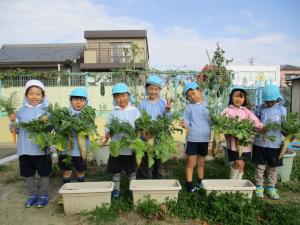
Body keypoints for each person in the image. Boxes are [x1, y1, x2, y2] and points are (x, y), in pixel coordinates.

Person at [8, 80, 51, 207]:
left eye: (38, 94)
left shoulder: (46, 111)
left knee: (44, 173)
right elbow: (15, 130)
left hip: (41, 149)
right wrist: (13, 121)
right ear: (26, 95)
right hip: (24, 149)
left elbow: (50, 128)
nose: (34, 96)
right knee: (28, 174)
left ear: (43, 96)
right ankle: (32, 195)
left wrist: (46, 123)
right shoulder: (21, 111)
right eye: (31, 93)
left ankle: (43, 195)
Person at [102, 83, 141, 199]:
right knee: (116, 170)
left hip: (130, 147)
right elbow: (108, 127)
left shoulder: (134, 110)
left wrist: (137, 136)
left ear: (128, 96)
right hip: (116, 148)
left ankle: (132, 189)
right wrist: (107, 135)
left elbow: (139, 126)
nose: (121, 99)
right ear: (114, 98)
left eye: (123, 95)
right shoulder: (113, 112)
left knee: (131, 170)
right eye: (118, 96)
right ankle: (116, 190)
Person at [252, 84, 286, 199]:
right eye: (267, 101)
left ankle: (271, 187)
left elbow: (285, 127)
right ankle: (259, 186)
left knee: (273, 167)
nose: (269, 104)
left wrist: (288, 136)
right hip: (259, 143)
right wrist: (257, 128)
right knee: (260, 167)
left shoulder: (282, 110)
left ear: (277, 98)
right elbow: (253, 123)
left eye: (271, 101)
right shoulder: (259, 108)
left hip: (275, 144)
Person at [222, 86, 263, 180]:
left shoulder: (246, 111)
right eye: (236, 96)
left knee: (242, 164)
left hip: (245, 144)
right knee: (237, 163)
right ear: (231, 97)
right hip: (233, 144)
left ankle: (238, 184)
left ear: (244, 99)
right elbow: (222, 123)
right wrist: (229, 128)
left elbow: (255, 121)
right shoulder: (227, 110)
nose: (238, 99)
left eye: (241, 97)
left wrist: (261, 127)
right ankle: (232, 183)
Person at [137, 75, 172, 179]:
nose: (153, 91)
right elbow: (139, 120)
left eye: (156, 89)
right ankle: (145, 181)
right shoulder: (142, 104)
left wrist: (168, 111)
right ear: (146, 89)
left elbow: (167, 120)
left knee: (158, 160)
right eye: (151, 88)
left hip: (159, 136)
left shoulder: (163, 102)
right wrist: (143, 132)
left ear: (159, 90)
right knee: (146, 160)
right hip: (145, 135)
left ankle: (159, 181)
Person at [181, 82, 211, 192]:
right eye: (189, 96)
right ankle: (189, 185)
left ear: (200, 91)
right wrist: (185, 124)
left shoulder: (209, 106)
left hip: (204, 138)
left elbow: (213, 120)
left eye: (193, 93)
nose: (192, 97)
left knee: (201, 163)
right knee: (190, 163)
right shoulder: (188, 107)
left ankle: (200, 182)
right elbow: (184, 119)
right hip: (192, 138)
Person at [58, 88, 90, 184]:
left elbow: (89, 130)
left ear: (85, 102)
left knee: (80, 170)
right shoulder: (64, 114)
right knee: (67, 171)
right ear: (71, 101)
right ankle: (66, 190)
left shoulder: (87, 115)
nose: (78, 103)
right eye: (76, 100)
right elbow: (58, 128)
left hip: (80, 150)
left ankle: (81, 188)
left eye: (81, 100)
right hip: (66, 149)